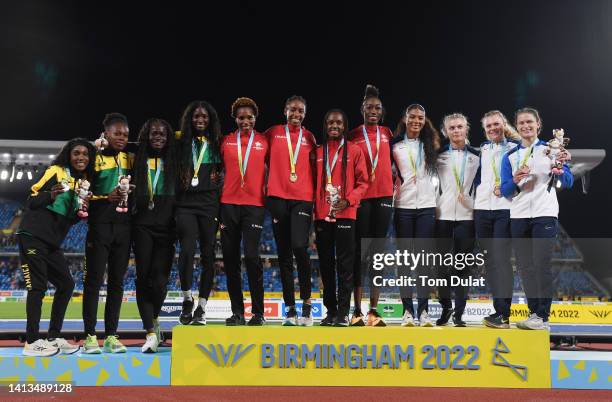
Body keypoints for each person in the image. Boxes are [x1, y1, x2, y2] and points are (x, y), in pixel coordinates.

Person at [18, 138, 95, 356]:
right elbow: (31, 199)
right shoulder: (56, 170)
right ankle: (31, 342)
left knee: (66, 284)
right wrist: (49, 195)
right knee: (38, 287)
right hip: (32, 235)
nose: (81, 157)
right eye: (76, 153)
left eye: (85, 154)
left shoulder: (81, 185)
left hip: (52, 242)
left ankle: (53, 336)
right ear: (68, 156)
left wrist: (80, 212)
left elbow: (68, 219)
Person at [500, 107, 573, 330]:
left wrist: (562, 173)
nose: (525, 126)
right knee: (525, 267)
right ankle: (534, 314)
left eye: (529, 122)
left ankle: (543, 316)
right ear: (517, 126)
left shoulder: (552, 149)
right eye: (521, 123)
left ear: (538, 124)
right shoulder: (510, 156)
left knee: (542, 265)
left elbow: (568, 181)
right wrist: (515, 179)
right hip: (519, 216)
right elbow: (505, 190)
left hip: (545, 214)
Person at [83, 113, 133, 354]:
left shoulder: (129, 158)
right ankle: (90, 336)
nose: (122, 138)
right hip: (99, 226)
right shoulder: (94, 159)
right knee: (93, 282)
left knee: (117, 283)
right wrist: (106, 198)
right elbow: (82, 194)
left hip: (124, 228)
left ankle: (112, 335)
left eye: (125, 134)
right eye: (117, 133)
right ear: (106, 133)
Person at [265, 95, 317, 326]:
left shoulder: (309, 137)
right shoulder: (272, 133)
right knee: (284, 255)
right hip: (277, 198)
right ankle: (289, 310)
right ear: (285, 110)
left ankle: (306, 303)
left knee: (299, 247)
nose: (296, 114)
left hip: (302, 199)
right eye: (293, 110)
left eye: (301, 111)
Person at [315, 109, 369, 327]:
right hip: (322, 215)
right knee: (326, 265)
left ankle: (343, 313)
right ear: (325, 125)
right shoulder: (318, 152)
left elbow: (363, 182)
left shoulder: (354, 150)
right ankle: (330, 311)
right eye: (330, 122)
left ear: (345, 126)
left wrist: (349, 200)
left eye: (338, 122)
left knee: (345, 265)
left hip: (346, 214)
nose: (334, 126)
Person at [390, 104, 441, 327]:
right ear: (405, 118)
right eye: (412, 117)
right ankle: (407, 311)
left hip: (427, 207)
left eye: (420, 118)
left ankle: (423, 311)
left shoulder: (430, 145)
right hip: (403, 206)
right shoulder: (394, 145)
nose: (416, 121)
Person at [220, 97, 268, 326]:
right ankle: (237, 312)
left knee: (251, 257)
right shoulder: (226, 141)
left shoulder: (264, 141)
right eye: (241, 117)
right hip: (228, 204)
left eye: (249, 117)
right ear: (235, 119)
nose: (245, 121)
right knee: (230, 260)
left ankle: (258, 312)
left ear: (255, 118)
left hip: (254, 205)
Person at [132, 118, 178, 352]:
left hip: (167, 229)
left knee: (160, 283)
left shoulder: (175, 162)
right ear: (146, 136)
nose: (158, 137)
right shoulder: (136, 159)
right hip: (142, 226)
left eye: (163, 133)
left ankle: (155, 320)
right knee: (143, 278)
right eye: (153, 133)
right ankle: (150, 331)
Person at [349, 85, 394, 326]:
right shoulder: (353, 134)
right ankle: (356, 310)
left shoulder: (388, 133)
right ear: (362, 110)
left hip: (385, 197)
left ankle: (374, 311)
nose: (373, 111)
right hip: (362, 197)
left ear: (382, 111)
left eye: (377, 108)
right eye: (369, 108)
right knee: (360, 253)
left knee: (378, 255)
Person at [175, 101, 223, 326]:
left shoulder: (217, 144)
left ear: (210, 119)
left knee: (208, 255)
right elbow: (151, 140)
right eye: (196, 117)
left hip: (209, 204)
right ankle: (186, 298)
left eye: (204, 117)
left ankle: (201, 307)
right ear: (189, 119)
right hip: (185, 204)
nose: (200, 120)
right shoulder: (180, 141)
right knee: (186, 251)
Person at [473, 111, 520, 329]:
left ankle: (504, 314)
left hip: (504, 209)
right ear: (484, 129)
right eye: (489, 126)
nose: (493, 128)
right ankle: (498, 311)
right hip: (482, 209)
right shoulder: (482, 148)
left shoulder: (514, 148)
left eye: (496, 124)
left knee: (501, 261)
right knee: (490, 262)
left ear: (504, 125)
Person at [435, 113, 480, 327]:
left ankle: (459, 314)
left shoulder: (478, 155)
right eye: (451, 127)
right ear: (445, 131)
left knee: (462, 267)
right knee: (441, 267)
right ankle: (446, 308)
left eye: (459, 126)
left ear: (466, 128)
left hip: (467, 217)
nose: (456, 130)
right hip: (442, 217)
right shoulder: (438, 155)